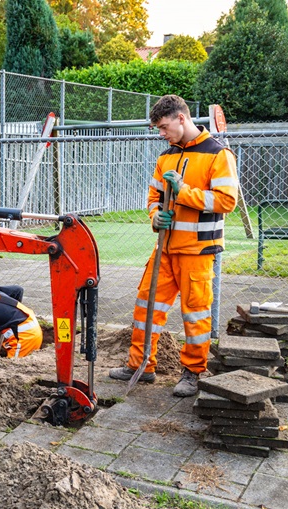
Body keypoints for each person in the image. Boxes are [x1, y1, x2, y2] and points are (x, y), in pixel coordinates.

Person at [109, 95, 238, 397]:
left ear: (182, 118)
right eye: (158, 130)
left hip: (198, 251)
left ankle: (193, 372)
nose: (162, 134)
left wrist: (183, 191)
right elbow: (153, 199)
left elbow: (225, 201)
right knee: (146, 306)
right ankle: (141, 365)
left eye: (164, 127)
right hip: (165, 248)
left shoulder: (218, 155)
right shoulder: (165, 158)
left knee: (195, 314)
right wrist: (156, 218)